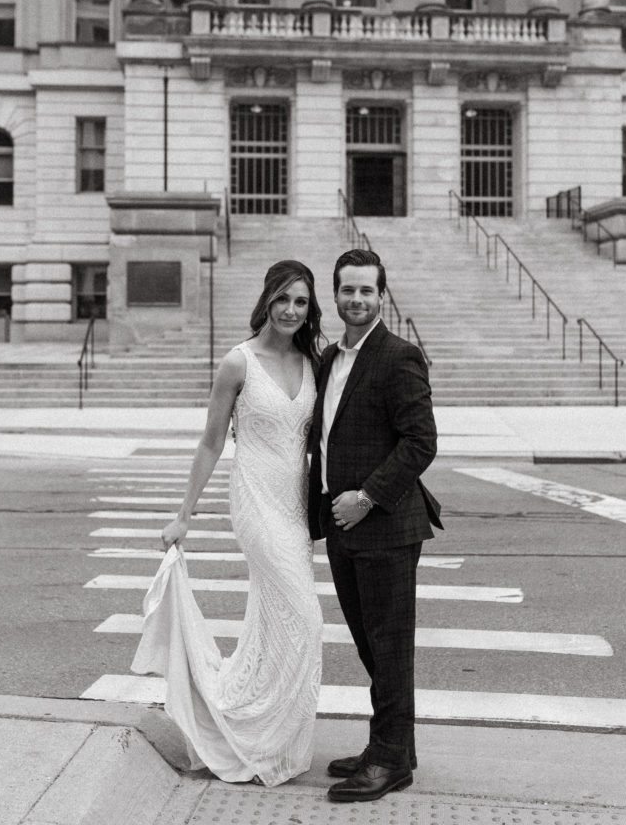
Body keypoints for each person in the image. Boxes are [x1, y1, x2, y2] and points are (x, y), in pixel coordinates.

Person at [131, 260, 325, 788]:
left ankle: (265, 732)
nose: (291, 310)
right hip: (256, 501)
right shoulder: (238, 363)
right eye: (282, 298)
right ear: (266, 301)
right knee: (305, 620)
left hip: (296, 506)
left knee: (273, 619)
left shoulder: (313, 361)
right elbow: (211, 442)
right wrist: (183, 515)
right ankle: (253, 728)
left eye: (301, 301)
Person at [307, 248, 440, 803]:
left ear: (382, 295)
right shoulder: (328, 359)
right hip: (341, 528)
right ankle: (391, 747)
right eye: (348, 290)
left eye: (366, 290)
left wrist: (366, 497)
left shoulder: (399, 356)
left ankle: (389, 762)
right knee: (371, 647)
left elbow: (421, 442)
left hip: (384, 525)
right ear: (335, 296)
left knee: (390, 650)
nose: (356, 299)